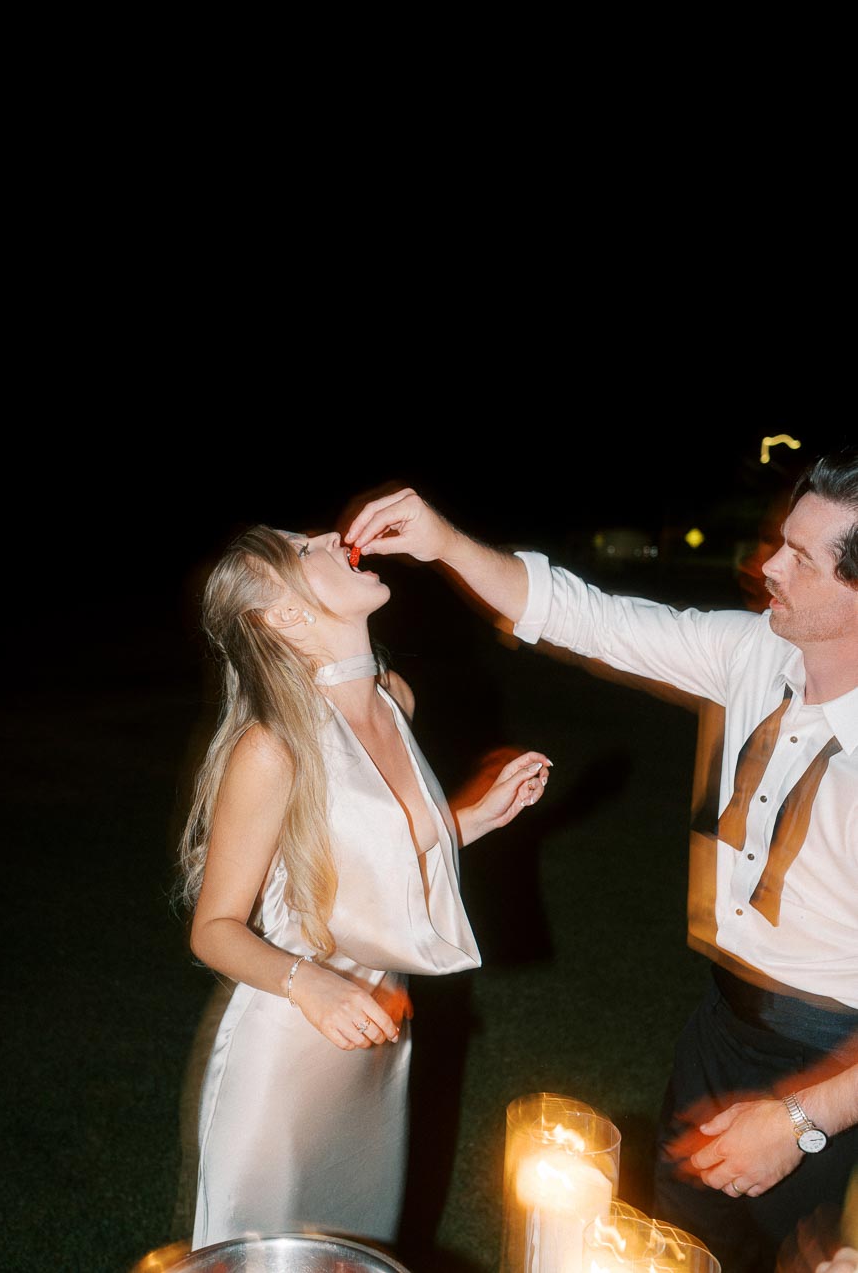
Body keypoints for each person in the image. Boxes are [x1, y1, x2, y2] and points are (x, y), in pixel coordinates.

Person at [346, 449, 858, 1273]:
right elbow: (588, 615)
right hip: (723, 1031)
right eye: (781, 541)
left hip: (843, 1071)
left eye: (802, 557)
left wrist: (802, 1119)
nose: (768, 566)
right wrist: (446, 543)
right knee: (679, 1247)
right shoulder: (752, 654)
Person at [178, 523, 550, 1250]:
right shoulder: (273, 747)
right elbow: (213, 929)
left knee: (355, 1246)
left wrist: (469, 819)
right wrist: (311, 984)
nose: (326, 533)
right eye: (304, 547)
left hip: (375, 1032)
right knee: (263, 1253)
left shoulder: (393, 699)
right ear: (284, 616)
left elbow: (367, 856)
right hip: (285, 1047)